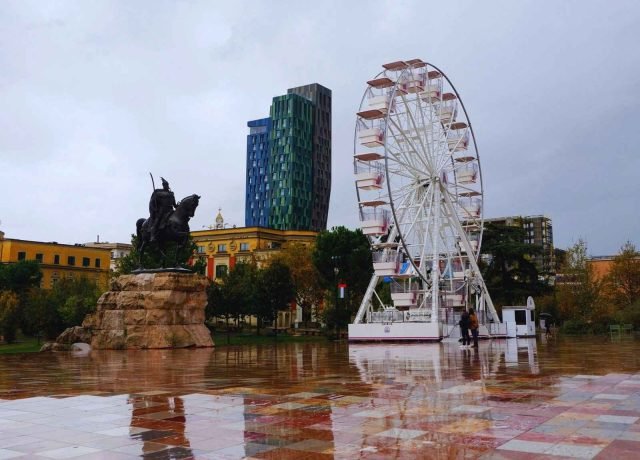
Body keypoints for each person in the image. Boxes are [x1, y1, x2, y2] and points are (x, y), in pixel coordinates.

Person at [148, 177, 177, 243]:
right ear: (163, 185)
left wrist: (178, 206)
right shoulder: (158, 193)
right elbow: (153, 202)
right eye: (165, 185)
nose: (166, 186)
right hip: (162, 211)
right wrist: (155, 208)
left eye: (167, 185)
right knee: (157, 221)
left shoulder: (171, 194)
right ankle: (152, 236)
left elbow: (174, 204)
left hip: (170, 210)